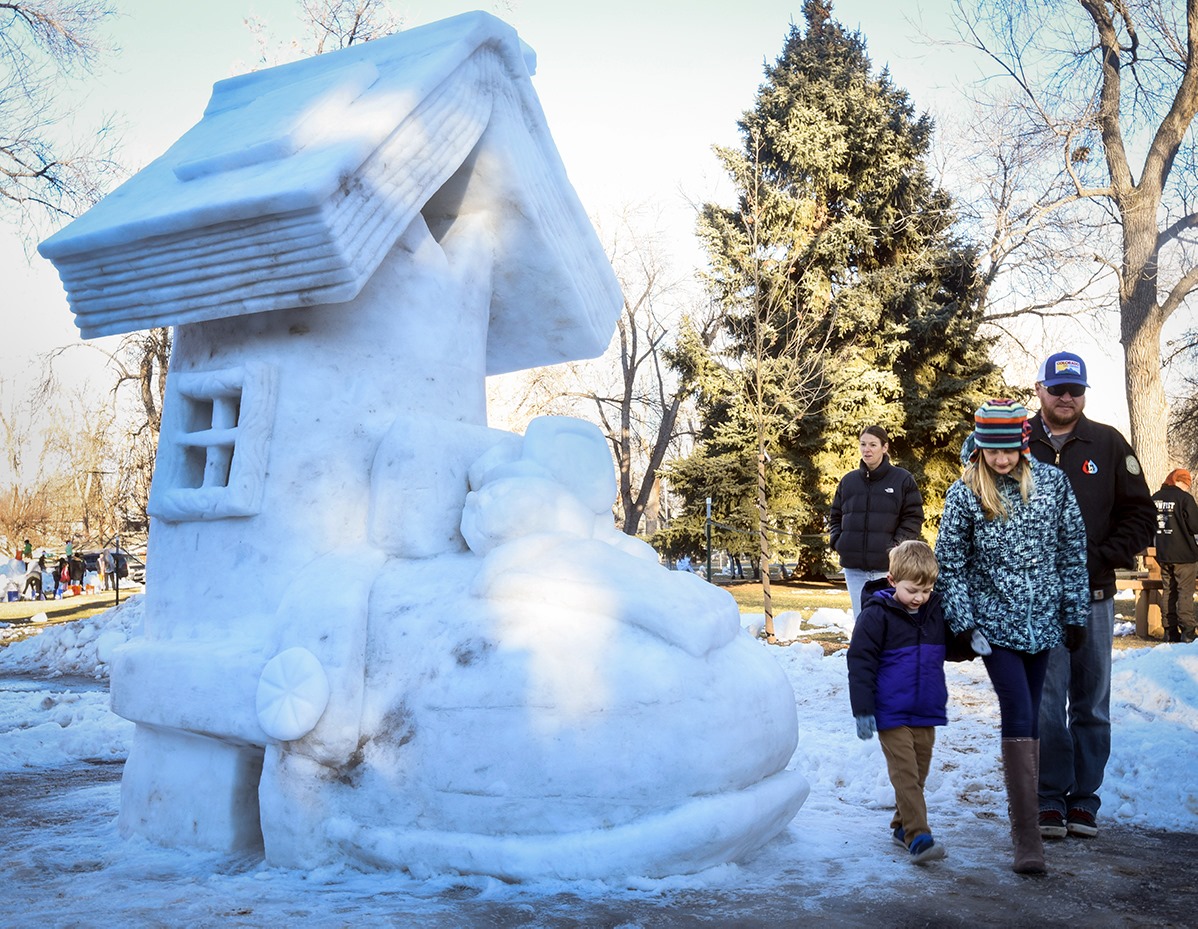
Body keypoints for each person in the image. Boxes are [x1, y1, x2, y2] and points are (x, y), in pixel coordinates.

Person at [936, 399, 1090, 874]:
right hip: (993, 626)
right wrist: (963, 622)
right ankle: (1027, 838)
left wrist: (1075, 613)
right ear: (980, 446)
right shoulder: (965, 493)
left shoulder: (1051, 484)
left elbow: (1071, 550)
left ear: (1023, 444)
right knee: (1019, 709)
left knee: (1037, 710)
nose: (1001, 460)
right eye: (991, 451)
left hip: (1042, 622)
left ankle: (1027, 821)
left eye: (1008, 451)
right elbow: (951, 564)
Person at [1028, 351, 1156, 840]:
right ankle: (1048, 800)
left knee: (1091, 703)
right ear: (1039, 389)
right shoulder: (1018, 442)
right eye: (1057, 389)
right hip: (1038, 600)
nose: (1066, 398)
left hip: (1095, 596)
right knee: (1044, 702)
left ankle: (1083, 800)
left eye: (1075, 390)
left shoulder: (1107, 442)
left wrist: (1103, 556)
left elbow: (1140, 514)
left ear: (1084, 393)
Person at [847, 539, 969, 865]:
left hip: (926, 708)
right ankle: (919, 837)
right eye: (913, 589)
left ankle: (901, 827)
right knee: (905, 774)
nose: (920, 597)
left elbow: (946, 647)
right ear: (892, 581)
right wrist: (863, 710)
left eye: (927, 590)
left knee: (919, 773)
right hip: (891, 711)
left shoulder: (933, 611)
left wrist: (971, 644)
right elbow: (860, 662)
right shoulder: (876, 616)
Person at [829, 425, 924, 618]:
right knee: (862, 619)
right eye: (863, 444)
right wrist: (838, 542)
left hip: (887, 568)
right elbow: (835, 515)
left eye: (873, 444)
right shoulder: (848, 481)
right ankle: (864, 650)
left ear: (885, 447)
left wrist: (895, 549)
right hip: (854, 568)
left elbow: (913, 517)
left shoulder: (902, 479)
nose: (867, 449)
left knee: (889, 620)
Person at [1151, 468, 1198, 643]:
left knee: (1168, 592)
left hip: (1164, 554)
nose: (1188, 488)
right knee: (1185, 592)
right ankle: (1188, 630)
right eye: (1187, 484)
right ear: (1179, 481)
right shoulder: (1185, 499)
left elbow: (1147, 524)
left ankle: (1169, 630)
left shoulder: (1155, 498)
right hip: (1185, 555)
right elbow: (1195, 526)